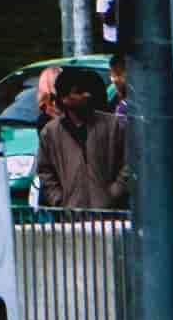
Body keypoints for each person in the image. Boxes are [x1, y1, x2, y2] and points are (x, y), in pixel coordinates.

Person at [34, 59, 131, 220]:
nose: (87, 95)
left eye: (87, 91)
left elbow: (129, 163)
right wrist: (59, 200)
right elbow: (45, 171)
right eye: (78, 92)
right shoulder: (50, 133)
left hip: (110, 217)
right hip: (71, 217)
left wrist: (114, 192)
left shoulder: (114, 126)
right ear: (64, 98)